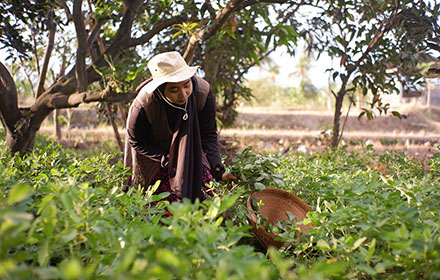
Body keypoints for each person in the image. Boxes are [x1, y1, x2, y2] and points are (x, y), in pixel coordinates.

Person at [123, 51, 236, 203]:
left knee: (206, 203)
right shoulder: (144, 104)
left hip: (190, 149)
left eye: (186, 85)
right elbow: (135, 140)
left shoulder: (202, 92)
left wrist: (219, 171)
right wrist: (165, 156)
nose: (183, 94)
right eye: (173, 90)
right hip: (155, 155)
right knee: (161, 208)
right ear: (161, 89)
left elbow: (208, 134)